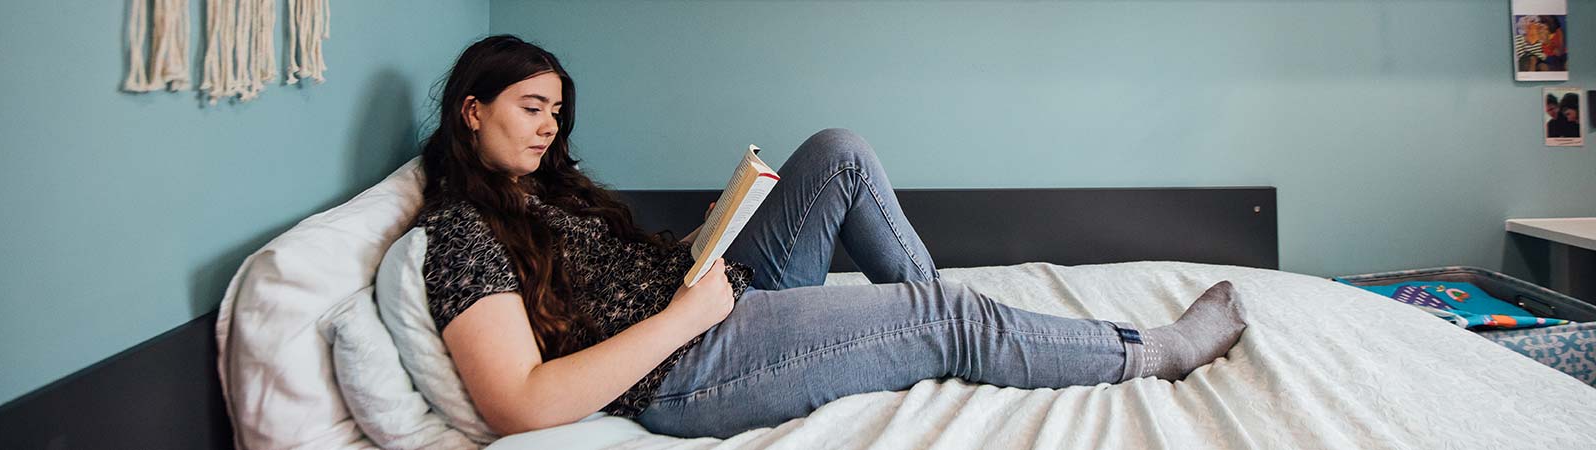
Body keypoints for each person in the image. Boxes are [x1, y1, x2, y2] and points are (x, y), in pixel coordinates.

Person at [414, 34, 1248, 439]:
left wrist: (708, 241)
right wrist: (687, 317)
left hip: (706, 296)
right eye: (532, 109)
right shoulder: (460, 232)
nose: (550, 129)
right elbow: (519, 401)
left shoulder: (542, 192)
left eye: (557, 112)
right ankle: (1154, 350)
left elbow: (606, 278)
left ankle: (941, 325)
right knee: (943, 315)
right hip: (687, 364)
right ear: (473, 109)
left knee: (838, 156)